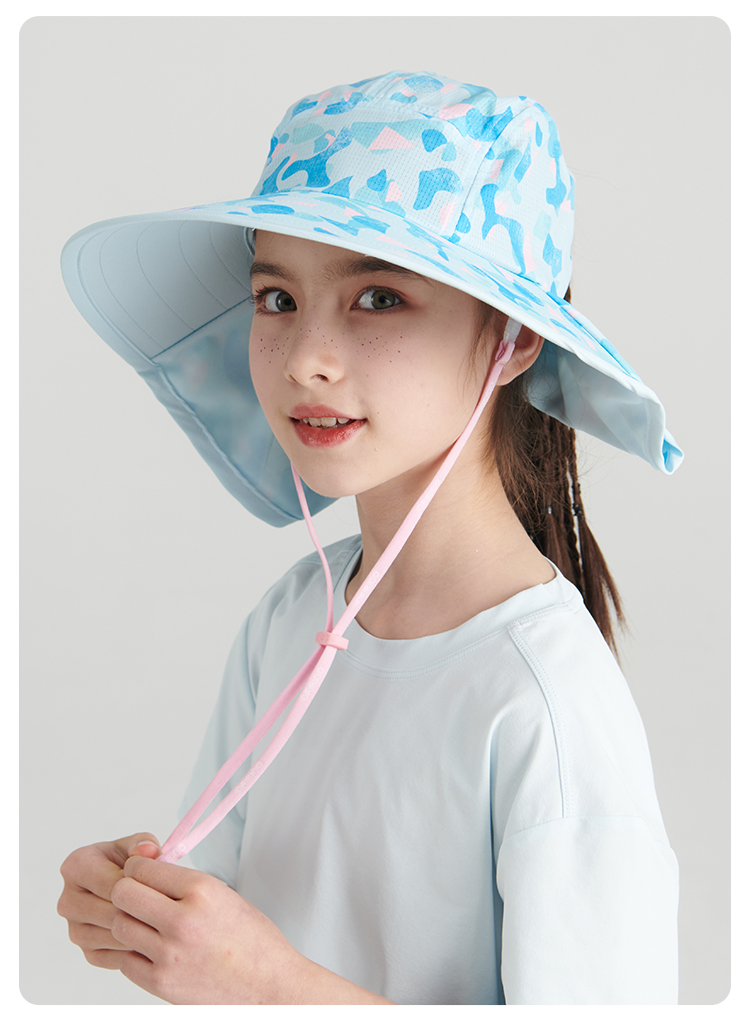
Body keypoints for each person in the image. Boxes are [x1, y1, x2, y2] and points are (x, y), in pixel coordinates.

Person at [56, 70, 682, 1005]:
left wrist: (271, 987)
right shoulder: (294, 619)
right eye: (276, 298)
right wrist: (140, 907)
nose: (307, 358)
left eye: (379, 297)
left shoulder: (547, 701)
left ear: (513, 339)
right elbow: (225, 912)